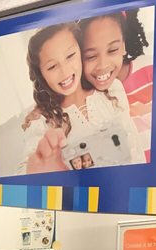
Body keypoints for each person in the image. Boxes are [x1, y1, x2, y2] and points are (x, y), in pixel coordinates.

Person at [20, 22, 140, 174]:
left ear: (81, 51)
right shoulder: (40, 122)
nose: (65, 72)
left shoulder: (113, 90)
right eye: (52, 66)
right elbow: (24, 169)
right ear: (41, 74)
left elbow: (135, 147)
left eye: (70, 56)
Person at [79, 11, 152, 162]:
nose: (103, 65)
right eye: (91, 56)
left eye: (112, 50)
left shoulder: (152, 69)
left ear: (123, 45)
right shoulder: (83, 103)